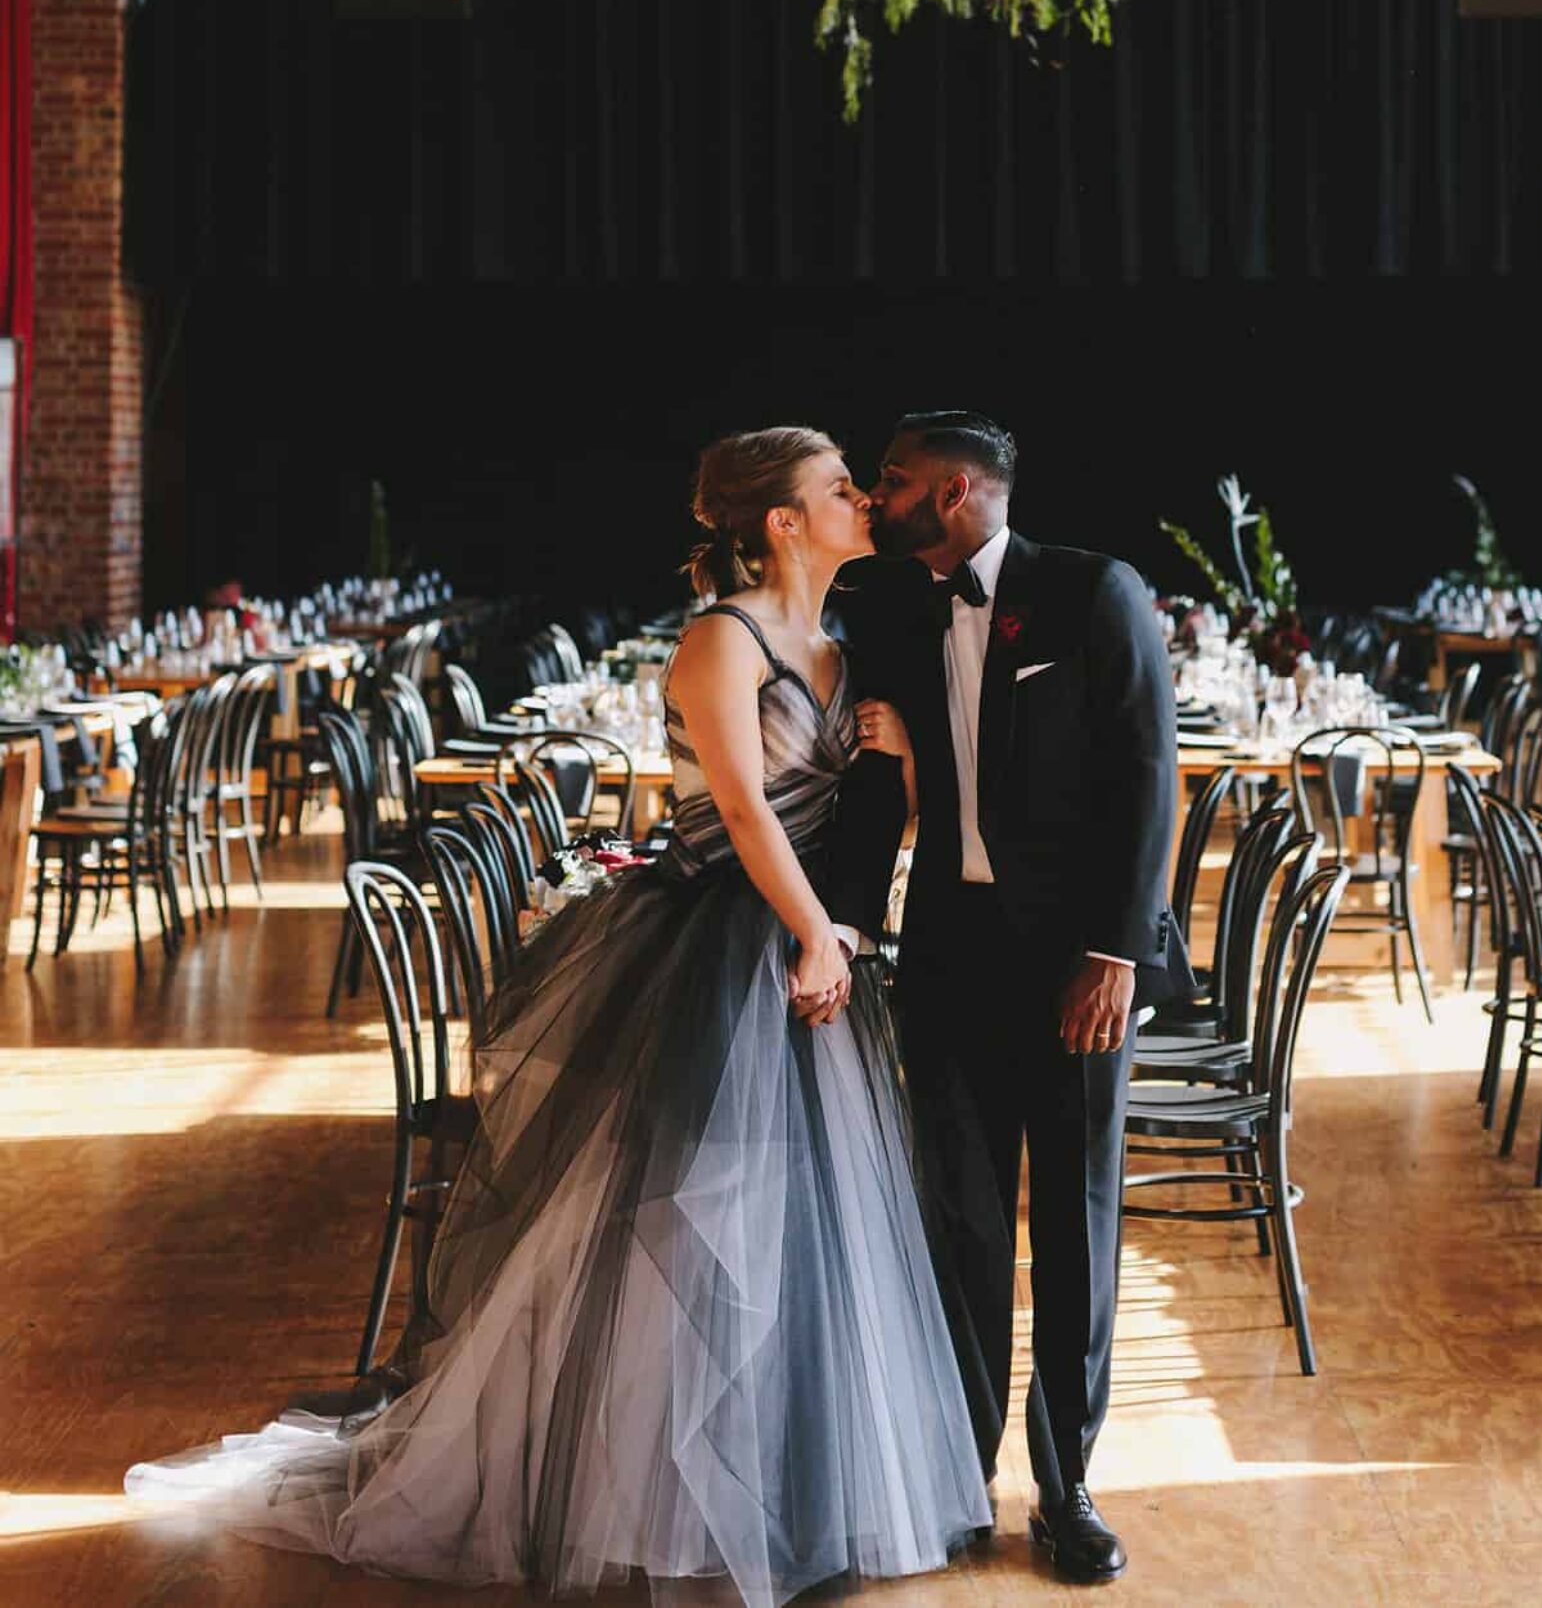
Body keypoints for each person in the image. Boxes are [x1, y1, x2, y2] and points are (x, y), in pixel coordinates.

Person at [127, 427, 990, 1608]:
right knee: (694, 1233)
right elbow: (741, 813)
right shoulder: (717, 641)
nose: (860, 500)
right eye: (839, 487)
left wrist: (878, 787)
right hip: (727, 949)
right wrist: (811, 933)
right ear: (783, 521)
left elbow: (847, 809)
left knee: (801, 1230)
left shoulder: (836, 644)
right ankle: (659, 1502)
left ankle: (788, 1492)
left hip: (809, 948)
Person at [830, 410, 1185, 1588]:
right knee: (963, 1224)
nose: (874, 496)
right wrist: (841, 920)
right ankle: (958, 1470)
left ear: (959, 492)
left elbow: (1148, 775)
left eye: (892, 480)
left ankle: (1068, 1483)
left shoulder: (1093, 592)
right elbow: (882, 788)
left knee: (1075, 1223)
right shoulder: (885, 605)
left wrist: (1117, 953)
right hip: (948, 955)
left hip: (1077, 963)